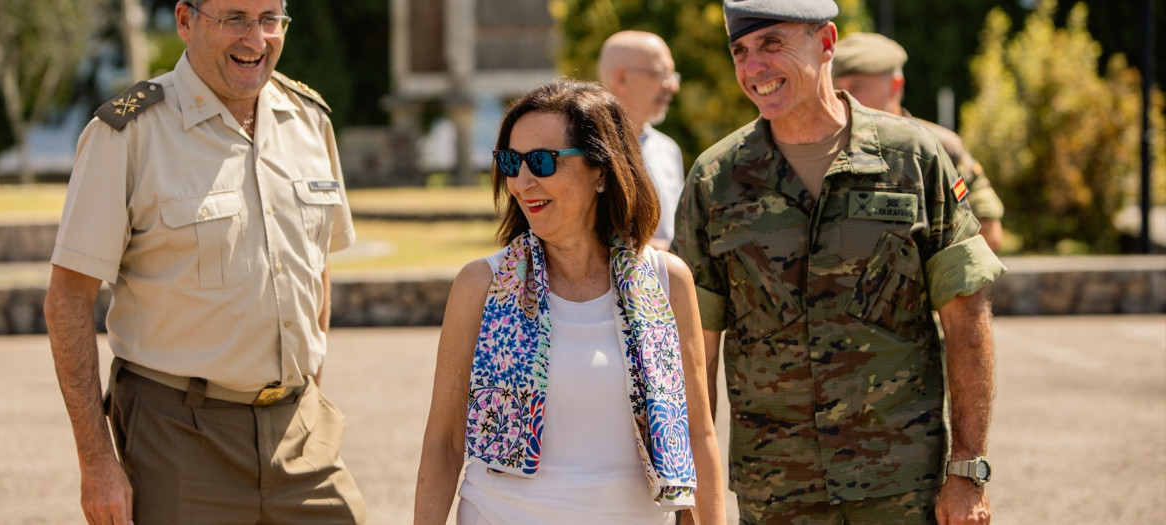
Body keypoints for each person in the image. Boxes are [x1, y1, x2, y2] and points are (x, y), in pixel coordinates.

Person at [672, 0, 1007, 523]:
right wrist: (690, 493)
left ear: (826, 42)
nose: (752, 67)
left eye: (771, 44)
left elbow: (967, 318)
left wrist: (968, 471)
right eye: (740, 51)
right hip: (776, 490)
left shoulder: (911, 157)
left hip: (900, 488)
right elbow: (696, 353)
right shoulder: (716, 181)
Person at [43, 1, 367, 523]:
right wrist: (97, 460)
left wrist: (312, 395)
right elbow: (67, 300)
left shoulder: (310, 121)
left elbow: (314, 269)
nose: (256, 39)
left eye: (269, 19)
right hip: (178, 440)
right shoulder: (128, 133)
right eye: (234, 18)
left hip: (300, 431)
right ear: (185, 21)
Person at [414, 79, 726, 525]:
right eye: (510, 161)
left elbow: (697, 435)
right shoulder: (480, 284)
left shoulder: (667, 281)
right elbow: (443, 441)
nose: (522, 181)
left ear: (601, 171)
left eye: (541, 162)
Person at [832, 32, 1005, 252]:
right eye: (837, 87)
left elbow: (988, 230)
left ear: (895, 85)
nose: (843, 96)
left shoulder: (937, 147)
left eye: (856, 87)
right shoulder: (828, 148)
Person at [598, 30, 685, 251]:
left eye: (673, 76)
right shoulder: (583, 149)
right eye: (662, 74)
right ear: (622, 78)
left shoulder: (668, 149)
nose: (672, 86)